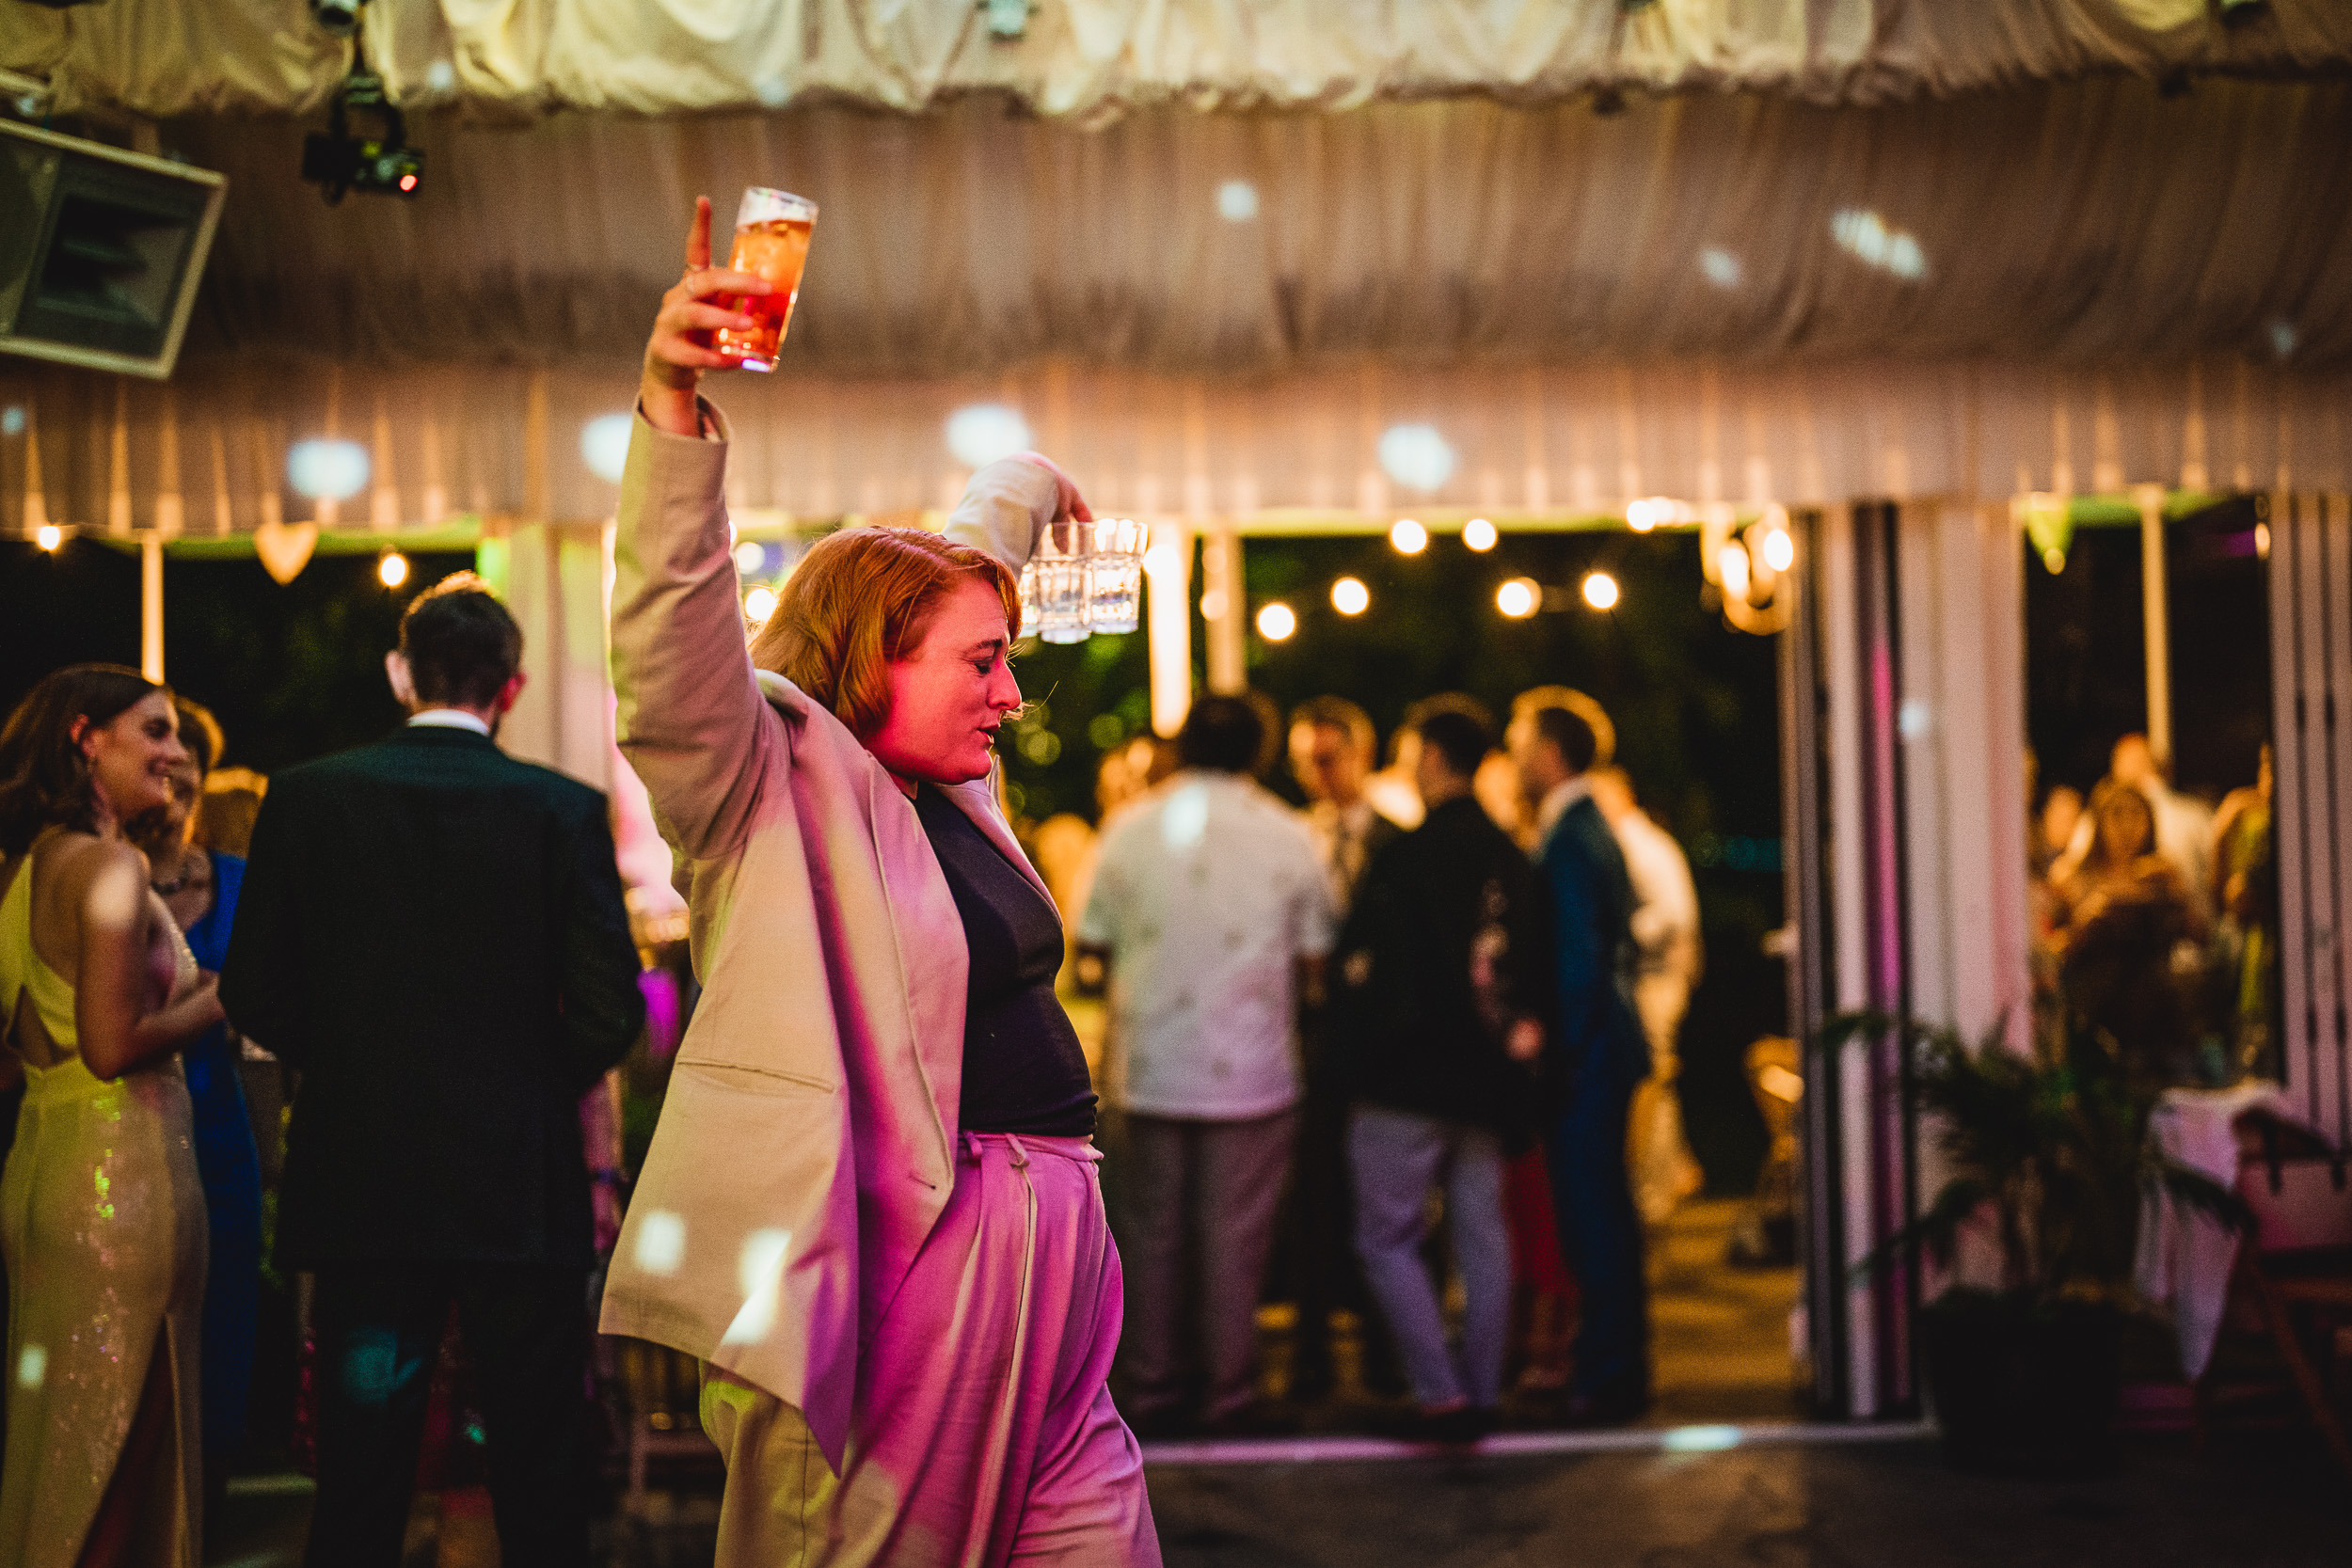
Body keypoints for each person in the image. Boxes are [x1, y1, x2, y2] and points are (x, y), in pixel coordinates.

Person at [595, 198, 1159, 1566]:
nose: (1012, 693)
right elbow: (669, 642)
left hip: (1058, 1260)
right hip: (913, 1271)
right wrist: (672, 401)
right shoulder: (760, 785)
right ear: (868, 662)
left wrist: (1025, 480)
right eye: (984, 667)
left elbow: (957, 570)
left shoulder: (949, 783)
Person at [220, 576, 644, 1568]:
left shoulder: (309, 796)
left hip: (365, 1183)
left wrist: (358, 1065)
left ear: (399, 671)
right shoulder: (560, 809)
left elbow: (252, 990)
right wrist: (529, 1087)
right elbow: (610, 1010)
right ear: (515, 684)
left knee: (360, 1480)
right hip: (518, 1194)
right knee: (537, 1474)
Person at [0, 664, 221, 1565]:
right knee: (116, 1465)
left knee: (50, 1454)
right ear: (86, 736)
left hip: (40, 1173)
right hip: (119, 1189)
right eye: (157, 731)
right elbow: (111, 1043)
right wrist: (227, 997)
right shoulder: (111, 867)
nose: (176, 753)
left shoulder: (19, 872)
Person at [1080, 695, 1336, 1436]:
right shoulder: (1290, 835)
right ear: (1260, 750)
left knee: (1150, 1233)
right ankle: (1228, 1386)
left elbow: (1090, 944)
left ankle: (1155, 1382)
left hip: (1151, 1062)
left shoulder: (1129, 829)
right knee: (1237, 1236)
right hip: (1252, 1068)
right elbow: (1317, 956)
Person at [1328, 706, 1548, 1439]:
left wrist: (1358, 1057)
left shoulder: (1406, 856)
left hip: (1405, 1080)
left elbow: (1365, 969)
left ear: (1431, 756)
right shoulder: (1508, 854)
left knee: (1386, 1237)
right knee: (1484, 1235)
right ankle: (1484, 1388)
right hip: (1486, 1081)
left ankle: (1439, 1389)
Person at [129, 698, 263, 1528]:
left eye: (188, 767)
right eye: (162, 763)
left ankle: (206, 1508)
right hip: (125, 1130)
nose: (175, 780)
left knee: (222, 1326)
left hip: (219, 1132)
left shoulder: (242, 881)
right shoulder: (101, 875)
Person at [1508, 694, 1651, 1426]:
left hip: (1588, 1052)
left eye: (1520, 741)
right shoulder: (1589, 826)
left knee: (1593, 1215)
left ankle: (1608, 1372)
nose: (1512, 755)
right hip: (1605, 1044)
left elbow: (1576, 959)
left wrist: (1555, 1053)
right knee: (1605, 1213)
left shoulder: (1568, 837)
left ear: (1550, 752)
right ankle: (1615, 1362)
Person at [1281, 694, 1405, 1399]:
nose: (1315, 774)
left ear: (1360, 754)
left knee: (1385, 1202)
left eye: (1325, 759)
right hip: (1313, 1039)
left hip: (1380, 1049)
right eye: (1303, 762)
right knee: (1315, 1201)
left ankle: (1387, 1348)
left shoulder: (1396, 841)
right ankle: (1312, 1351)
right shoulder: (1294, 838)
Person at [1587, 766, 1706, 1226]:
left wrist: (1618, 937)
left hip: (1656, 979)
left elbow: (1671, 915)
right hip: (1656, 976)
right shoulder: (1642, 842)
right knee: (1656, 1077)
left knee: (1650, 1081)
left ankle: (1652, 1191)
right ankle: (1670, 1172)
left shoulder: (1642, 847)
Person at [2051, 780, 2205, 1098]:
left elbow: (2202, 937)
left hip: (2159, 1023)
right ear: (2099, 822)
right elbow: (2054, 953)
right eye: (2116, 816)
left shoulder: (2161, 874)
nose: (2127, 828)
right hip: (2097, 1020)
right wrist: (2092, 915)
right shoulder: (2074, 877)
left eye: (2136, 816)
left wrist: (2178, 892)